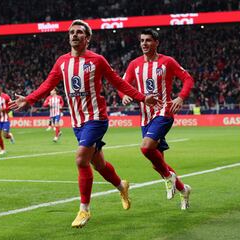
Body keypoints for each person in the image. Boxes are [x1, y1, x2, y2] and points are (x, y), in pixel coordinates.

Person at [10, 20, 161, 228]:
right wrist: (29, 99)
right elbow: (48, 84)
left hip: (96, 119)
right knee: (98, 165)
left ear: (87, 38)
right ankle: (121, 185)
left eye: (79, 32)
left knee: (81, 159)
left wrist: (143, 98)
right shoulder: (62, 62)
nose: (74, 35)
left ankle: (84, 210)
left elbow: (118, 81)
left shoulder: (97, 60)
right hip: (78, 122)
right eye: (71, 32)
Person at [119, 29, 194, 210]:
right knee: (157, 164)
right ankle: (184, 190)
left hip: (163, 112)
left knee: (146, 147)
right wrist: (123, 95)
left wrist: (181, 97)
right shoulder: (134, 64)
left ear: (156, 43)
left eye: (148, 40)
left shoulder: (167, 61)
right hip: (145, 117)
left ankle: (169, 178)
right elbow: (122, 84)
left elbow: (187, 78)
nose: (144, 44)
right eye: (142, 40)